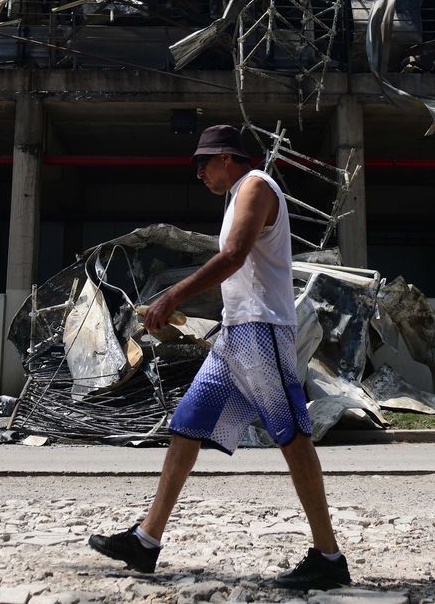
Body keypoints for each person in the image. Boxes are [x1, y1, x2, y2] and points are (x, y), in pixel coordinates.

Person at [89, 124, 350, 591]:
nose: (199, 173)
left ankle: (329, 557)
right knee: (186, 424)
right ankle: (146, 541)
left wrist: (171, 296)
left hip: (262, 328)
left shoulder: (255, 186)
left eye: (203, 163)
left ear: (228, 158)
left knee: (292, 434)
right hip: (236, 333)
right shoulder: (236, 198)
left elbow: (232, 256)